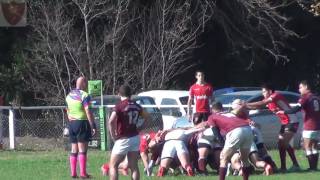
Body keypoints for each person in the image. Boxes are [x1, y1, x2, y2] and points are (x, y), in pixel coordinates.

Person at [246, 83, 300, 171]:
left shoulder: (275, 95)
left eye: (264, 91)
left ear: (270, 91)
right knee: (281, 144)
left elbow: (262, 103)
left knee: (283, 143)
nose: (263, 93)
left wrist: (246, 104)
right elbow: (258, 105)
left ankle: (295, 165)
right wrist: (245, 106)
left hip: (292, 121)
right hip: (284, 123)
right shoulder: (267, 99)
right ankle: (284, 167)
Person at [108, 85, 150, 180]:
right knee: (134, 166)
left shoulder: (119, 106)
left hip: (123, 138)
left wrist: (113, 136)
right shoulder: (137, 106)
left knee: (113, 165)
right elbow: (147, 117)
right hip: (135, 137)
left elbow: (111, 121)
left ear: (119, 94)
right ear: (130, 94)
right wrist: (141, 127)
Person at [198, 112, 253, 180]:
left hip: (236, 131)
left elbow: (217, 134)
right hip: (248, 129)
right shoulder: (228, 114)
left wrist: (223, 148)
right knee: (244, 159)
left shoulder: (211, 117)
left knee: (224, 159)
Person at [278, 80, 320, 170]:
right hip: (317, 126)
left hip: (309, 126)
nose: (299, 89)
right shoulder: (316, 98)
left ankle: (312, 168)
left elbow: (296, 109)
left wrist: (284, 111)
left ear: (306, 87)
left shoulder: (305, 97)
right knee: (315, 146)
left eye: (301, 87)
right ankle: (315, 167)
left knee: (307, 147)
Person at [65, 77, 96, 179]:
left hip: (72, 124)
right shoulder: (84, 95)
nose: (86, 85)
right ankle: (83, 173)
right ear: (82, 83)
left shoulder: (69, 95)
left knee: (74, 149)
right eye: (85, 83)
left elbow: (67, 110)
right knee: (82, 149)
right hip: (82, 122)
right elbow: (88, 111)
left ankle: (73, 173)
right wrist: (92, 125)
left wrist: (70, 117)